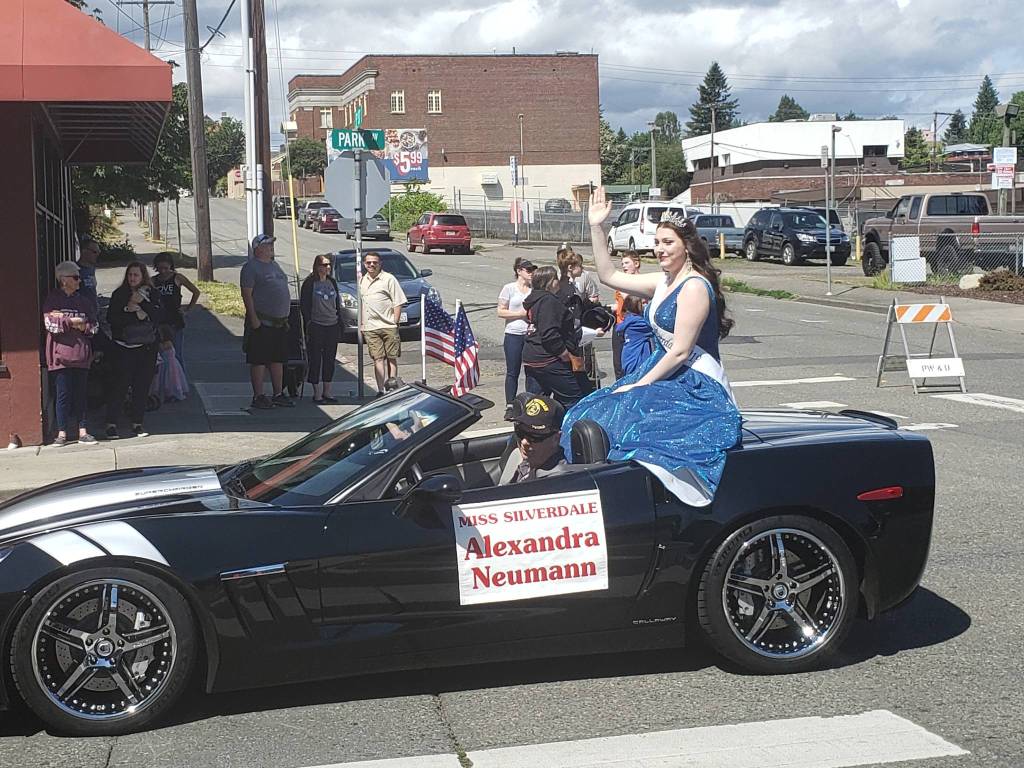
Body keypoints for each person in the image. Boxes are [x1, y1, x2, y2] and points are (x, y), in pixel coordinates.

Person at [561, 187, 742, 507]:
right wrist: (596, 227)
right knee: (593, 408)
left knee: (630, 416)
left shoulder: (695, 286)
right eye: (657, 242)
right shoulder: (663, 281)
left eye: (668, 242)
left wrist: (639, 385)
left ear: (687, 246)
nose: (660, 249)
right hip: (665, 370)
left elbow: (681, 351)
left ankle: (637, 501)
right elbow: (607, 275)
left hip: (696, 381)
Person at [42, 261, 99, 446]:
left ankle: (83, 431)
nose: (79, 281)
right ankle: (62, 433)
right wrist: (73, 321)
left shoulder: (84, 301)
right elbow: (50, 325)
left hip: (81, 355)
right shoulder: (52, 299)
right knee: (63, 395)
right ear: (63, 280)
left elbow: (93, 326)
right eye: (75, 277)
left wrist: (69, 321)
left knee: (81, 395)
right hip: (59, 358)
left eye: (79, 277)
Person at [105, 261, 163, 439]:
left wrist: (142, 307)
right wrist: (129, 311)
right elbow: (112, 319)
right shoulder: (119, 294)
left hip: (146, 348)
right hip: (124, 347)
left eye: (136, 275)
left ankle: (137, 423)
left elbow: (159, 316)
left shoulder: (152, 293)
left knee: (142, 386)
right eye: (130, 275)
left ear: (143, 276)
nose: (132, 278)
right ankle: (111, 424)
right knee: (119, 386)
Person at [240, 234, 295, 410]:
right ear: (258, 248)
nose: (271, 247)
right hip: (262, 321)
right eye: (268, 245)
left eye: (272, 244)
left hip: (279, 322)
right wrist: (253, 318)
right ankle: (259, 395)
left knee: (277, 359)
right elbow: (246, 294)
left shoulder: (275, 265)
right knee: (259, 360)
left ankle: (278, 394)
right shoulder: (251, 268)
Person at [521, 265, 587, 408]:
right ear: (550, 282)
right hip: (549, 358)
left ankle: (538, 428)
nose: (558, 282)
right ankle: (571, 428)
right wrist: (563, 353)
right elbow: (549, 333)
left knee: (537, 403)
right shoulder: (548, 301)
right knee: (573, 399)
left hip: (534, 356)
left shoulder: (536, 300)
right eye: (556, 279)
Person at [359, 251, 407, 396]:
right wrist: (362, 323)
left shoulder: (388, 279)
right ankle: (380, 390)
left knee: (391, 357)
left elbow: (398, 302)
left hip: (388, 326)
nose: (372, 265)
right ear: (364, 264)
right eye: (368, 262)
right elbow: (363, 303)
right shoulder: (362, 281)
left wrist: (395, 322)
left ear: (380, 264)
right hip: (371, 327)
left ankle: (392, 387)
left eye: (375, 262)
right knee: (377, 358)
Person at [300, 254, 344, 403]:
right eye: (324, 265)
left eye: (329, 265)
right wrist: (309, 322)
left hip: (332, 324)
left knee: (329, 359)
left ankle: (327, 391)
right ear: (317, 266)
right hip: (317, 325)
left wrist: (339, 322)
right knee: (315, 359)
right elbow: (304, 305)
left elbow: (337, 302)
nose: (328, 267)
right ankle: (317, 393)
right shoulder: (310, 283)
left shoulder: (332, 282)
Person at [497, 257, 535, 418]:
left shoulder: (534, 290)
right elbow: (500, 311)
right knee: (513, 371)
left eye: (533, 270)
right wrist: (519, 314)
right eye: (528, 270)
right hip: (513, 333)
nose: (531, 273)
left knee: (531, 370)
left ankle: (530, 404)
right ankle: (510, 405)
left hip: (529, 334)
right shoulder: (509, 288)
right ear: (519, 271)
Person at [504, 393, 568, 484]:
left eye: (533, 437)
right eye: (521, 433)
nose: (524, 442)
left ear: (556, 439)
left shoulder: (554, 483)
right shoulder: (529, 463)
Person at [152, 252, 201, 367]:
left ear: (171, 266)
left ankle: (180, 382)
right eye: (160, 268)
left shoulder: (177, 278)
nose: (163, 271)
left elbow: (196, 292)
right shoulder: (153, 281)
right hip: (159, 321)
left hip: (175, 320)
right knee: (159, 354)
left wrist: (187, 309)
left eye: (166, 268)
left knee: (177, 354)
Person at [612, 250, 643, 378]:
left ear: (636, 263)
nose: (624, 266)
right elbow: (618, 303)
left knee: (634, 364)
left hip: (634, 327)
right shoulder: (622, 283)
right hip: (619, 325)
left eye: (627, 263)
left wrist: (628, 296)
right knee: (618, 364)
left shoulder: (643, 282)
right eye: (622, 263)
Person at [150, 324, 189, 403]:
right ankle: (169, 393)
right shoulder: (169, 342)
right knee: (168, 379)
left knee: (166, 379)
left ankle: (170, 393)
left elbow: (164, 348)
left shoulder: (166, 343)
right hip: (168, 363)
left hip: (167, 363)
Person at [617, 295, 654, 376]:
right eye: (643, 303)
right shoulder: (638, 323)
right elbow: (655, 327)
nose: (646, 305)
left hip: (628, 358)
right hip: (636, 360)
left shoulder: (629, 319)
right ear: (636, 307)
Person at [77, 237, 101, 312]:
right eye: (94, 252)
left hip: (93, 313)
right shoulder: (76, 270)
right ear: (84, 251)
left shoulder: (91, 269)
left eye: (99, 252)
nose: (97, 255)